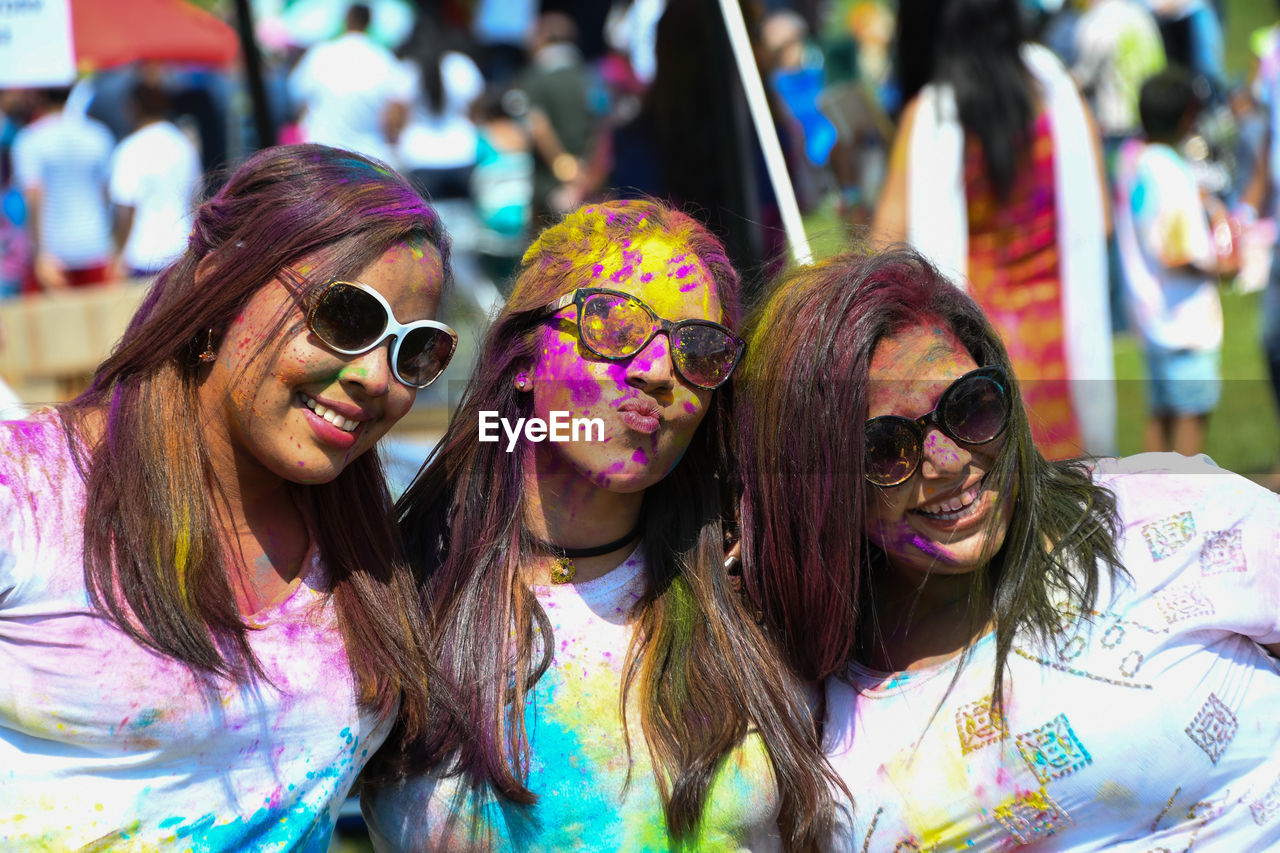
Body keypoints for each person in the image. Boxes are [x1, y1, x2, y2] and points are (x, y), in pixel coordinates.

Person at [736, 247, 1280, 850]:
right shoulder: (799, 708)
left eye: (970, 406)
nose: (950, 463)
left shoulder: (1163, 513)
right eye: (884, 449)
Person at [0, 144, 459, 849]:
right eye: (345, 315)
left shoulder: (374, 556)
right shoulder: (27, 492)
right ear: (220, 286)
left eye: (414, 350)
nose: (377, 377)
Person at [361, 199, 838, 850]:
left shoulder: (759, 595)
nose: (657, 369)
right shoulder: (386, 598)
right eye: (613, 324)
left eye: (698, 350)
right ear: (523, 360)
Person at [873, 0, 1115, 460]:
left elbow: (885, 244)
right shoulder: (1060, 102)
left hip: (976, 354)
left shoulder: (928, 120)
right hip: (1059, 350)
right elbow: (1100, 220)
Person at [1116, 67, 1236, 457]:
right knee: (1190, 421)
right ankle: (1187, 506)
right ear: (1189, 117)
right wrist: (1225, 268)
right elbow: (1176, 253)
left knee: (1160, 416)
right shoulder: (1172, 174)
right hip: (1185, 320)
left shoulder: (1132, 160)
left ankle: (1146, 505)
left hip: (1152, 317)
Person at [12, 86, 117, 291]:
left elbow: (34, 196)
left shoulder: (29, 139)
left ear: (40, 95)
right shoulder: (98, 134)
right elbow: (107, 193)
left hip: (53, 254)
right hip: (96, 246)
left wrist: (40, 253)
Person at [288, 3, 414, 165]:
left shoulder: (319, 54)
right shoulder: (383, 58)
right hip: (370, 158)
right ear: (369, 23)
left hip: (323, 157)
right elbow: (398, 108)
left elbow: (297, 97)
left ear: (346, 20)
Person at [109, 77, 203, 278]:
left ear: (134, 107)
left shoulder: (129, 148)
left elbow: (124, 209)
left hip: (142, 255)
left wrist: (117, 254)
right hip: (182, 248)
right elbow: (196, 198)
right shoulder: (183, 144)